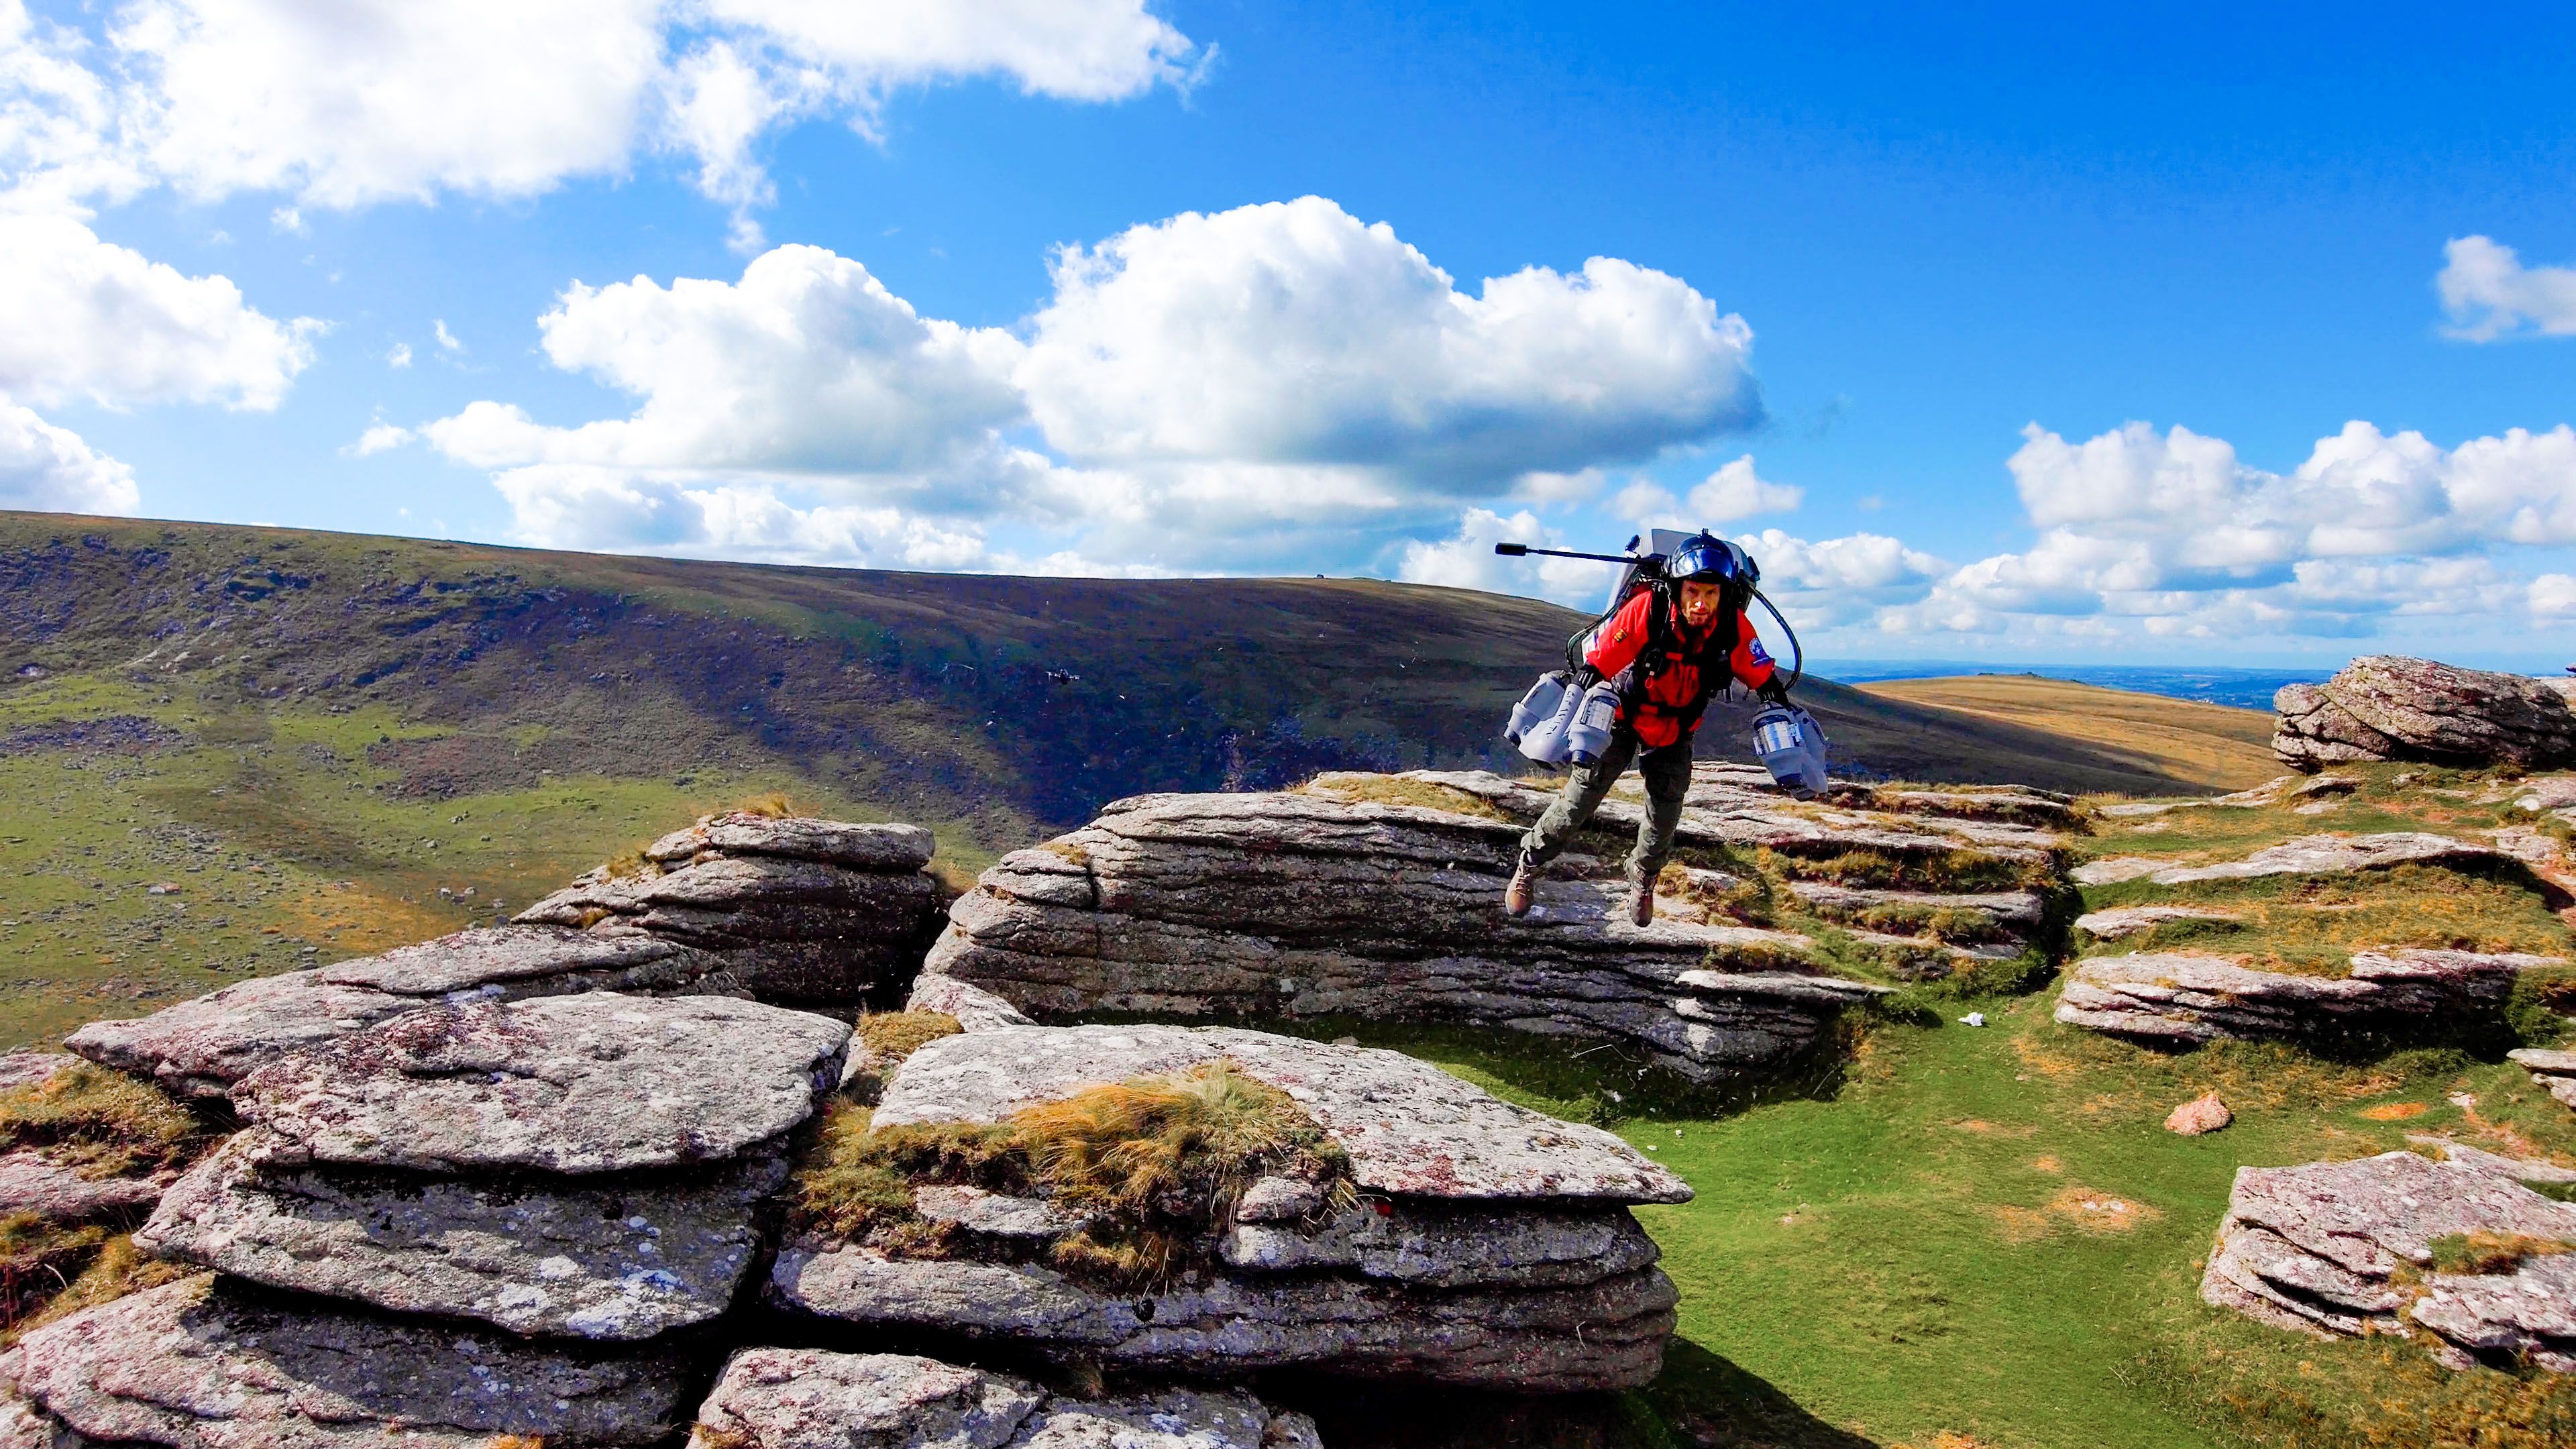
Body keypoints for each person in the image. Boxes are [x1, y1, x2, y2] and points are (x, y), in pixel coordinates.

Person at [1504, 532, 1792, 925]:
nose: (1701, 603)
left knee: (1665, 811)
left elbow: (1757, 667)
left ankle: (1642, 878)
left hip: (1676, 728)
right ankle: (1529, 864)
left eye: (1711, 594)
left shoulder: (1732, 624)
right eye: (1694, 591)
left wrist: (1773, 694)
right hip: (1621, 719)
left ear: (1724, 594)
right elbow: (1606, 655)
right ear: (1678, 587)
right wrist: (1584, 683)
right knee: (1580, 800)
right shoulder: (1649, 608)